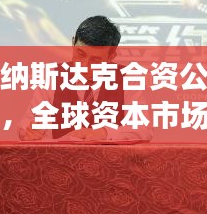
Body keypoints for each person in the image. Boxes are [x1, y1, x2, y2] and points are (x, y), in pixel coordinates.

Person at [19, 15, 152, 142]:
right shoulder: (51, 76)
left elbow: (143, 129)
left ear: (111, 57)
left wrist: (104, 133)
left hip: (111, 157)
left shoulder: (128, 78)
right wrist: (29, 130)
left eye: (95, 60)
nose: (84, 65)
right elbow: (26, 124)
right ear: (73, 43)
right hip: (61, 156)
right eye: (80, 54)